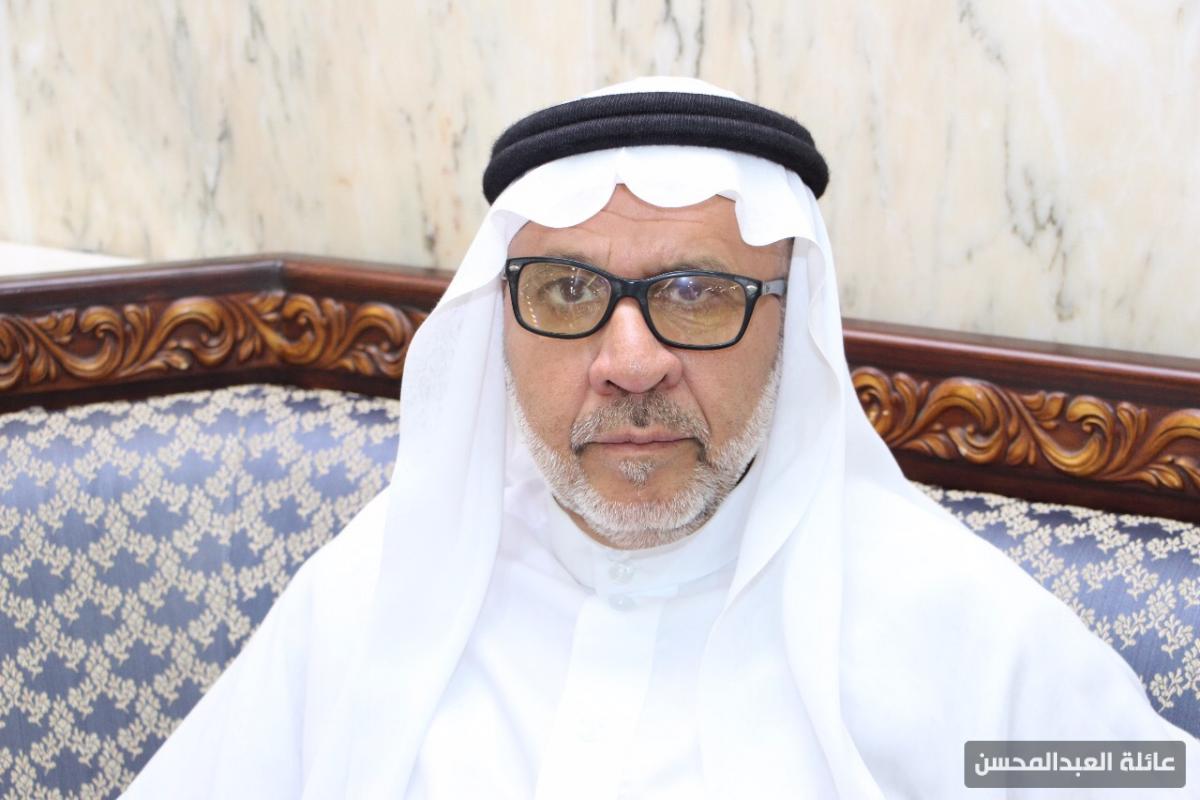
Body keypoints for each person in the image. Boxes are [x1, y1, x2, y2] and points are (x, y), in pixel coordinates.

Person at [123, 77, 1198, 798]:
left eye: (696, 292)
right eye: (566, 290)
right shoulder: (376, 592)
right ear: (501, 323)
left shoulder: (962, 630)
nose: (630, 361)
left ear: (788, 321)